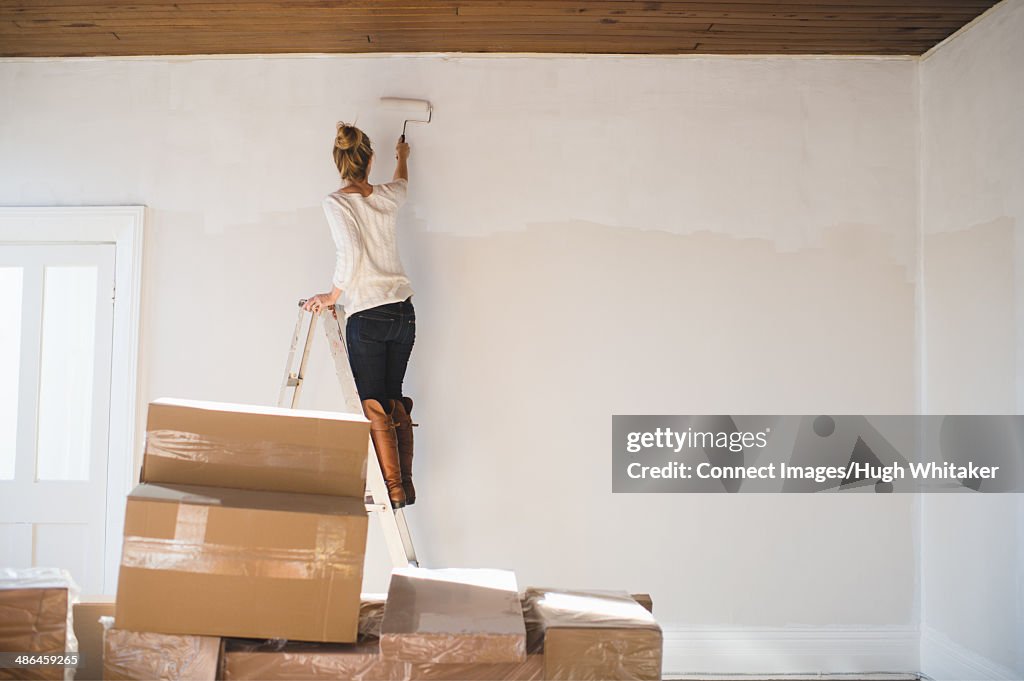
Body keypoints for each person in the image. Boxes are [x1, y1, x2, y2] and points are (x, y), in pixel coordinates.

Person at [303, 122, 416, 509]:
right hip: (403, 313)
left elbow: (349, 257)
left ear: (340, 163)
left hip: (368, 315)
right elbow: (401, 185)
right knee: (393, 400)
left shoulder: (336, 203)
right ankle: (404, 485)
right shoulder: (386, 195)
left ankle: (394, 490)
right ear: (370, 161)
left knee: (373, 404)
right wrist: (402, 158)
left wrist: (332, 295)